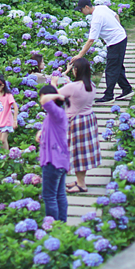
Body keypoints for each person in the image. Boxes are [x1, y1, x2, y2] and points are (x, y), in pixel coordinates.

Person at [51, 58, 101, 193]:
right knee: (82, 152)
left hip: (75, 122)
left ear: (76, 70)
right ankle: (80, 180)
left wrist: (53, 83)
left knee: (76, 152)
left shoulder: (73, 87)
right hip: (88, 120)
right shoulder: (91, 85)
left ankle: (81, 184)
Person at [72, 0, 133, 104]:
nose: (81, 12)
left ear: (86, 7)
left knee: (111, 69)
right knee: (117, 66)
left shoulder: (96, 19)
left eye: (81, 10)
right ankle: (127, 89)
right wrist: (117, 28)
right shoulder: (102, 8)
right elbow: (116, 15)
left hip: (116, 41)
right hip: (120, 38)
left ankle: (109, 95)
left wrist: (79, 55)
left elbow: (90, 40)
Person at [36, 85, 70, 222]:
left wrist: (58, 95)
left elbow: (45, 100)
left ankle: (52, 227)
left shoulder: (56, 112)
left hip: (53, 161)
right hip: (61, 160)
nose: (40, 101)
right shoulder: (57, 113)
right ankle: (61, 225)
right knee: (59, 195)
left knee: (49, 196)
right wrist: (41, 133)